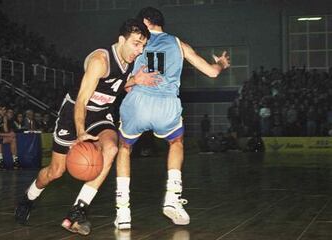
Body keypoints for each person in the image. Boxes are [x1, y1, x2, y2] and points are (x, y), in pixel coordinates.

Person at [15, 18, 157, 236]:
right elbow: (81, 100)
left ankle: (77, 212)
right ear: (121, 40)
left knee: (111, 148)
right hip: (75, 112)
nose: (139, 50)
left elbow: (116, 84)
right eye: (136, 44)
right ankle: (28, 198)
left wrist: (135, 80)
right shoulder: (101, 60)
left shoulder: (130, 61)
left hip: (101, 113)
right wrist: (81, 132)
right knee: (56, 171)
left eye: (143, 46)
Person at [114, 7, 230, 230]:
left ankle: (123, 211)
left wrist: (133, 81)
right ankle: (173, 198)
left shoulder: (135, 42)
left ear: (146, 22)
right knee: (176, 142)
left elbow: (120, 82)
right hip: (166, 105)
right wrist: (222, 63)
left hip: (138, 102)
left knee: (124, 148)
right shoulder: (178, 43)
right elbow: (213, 73)